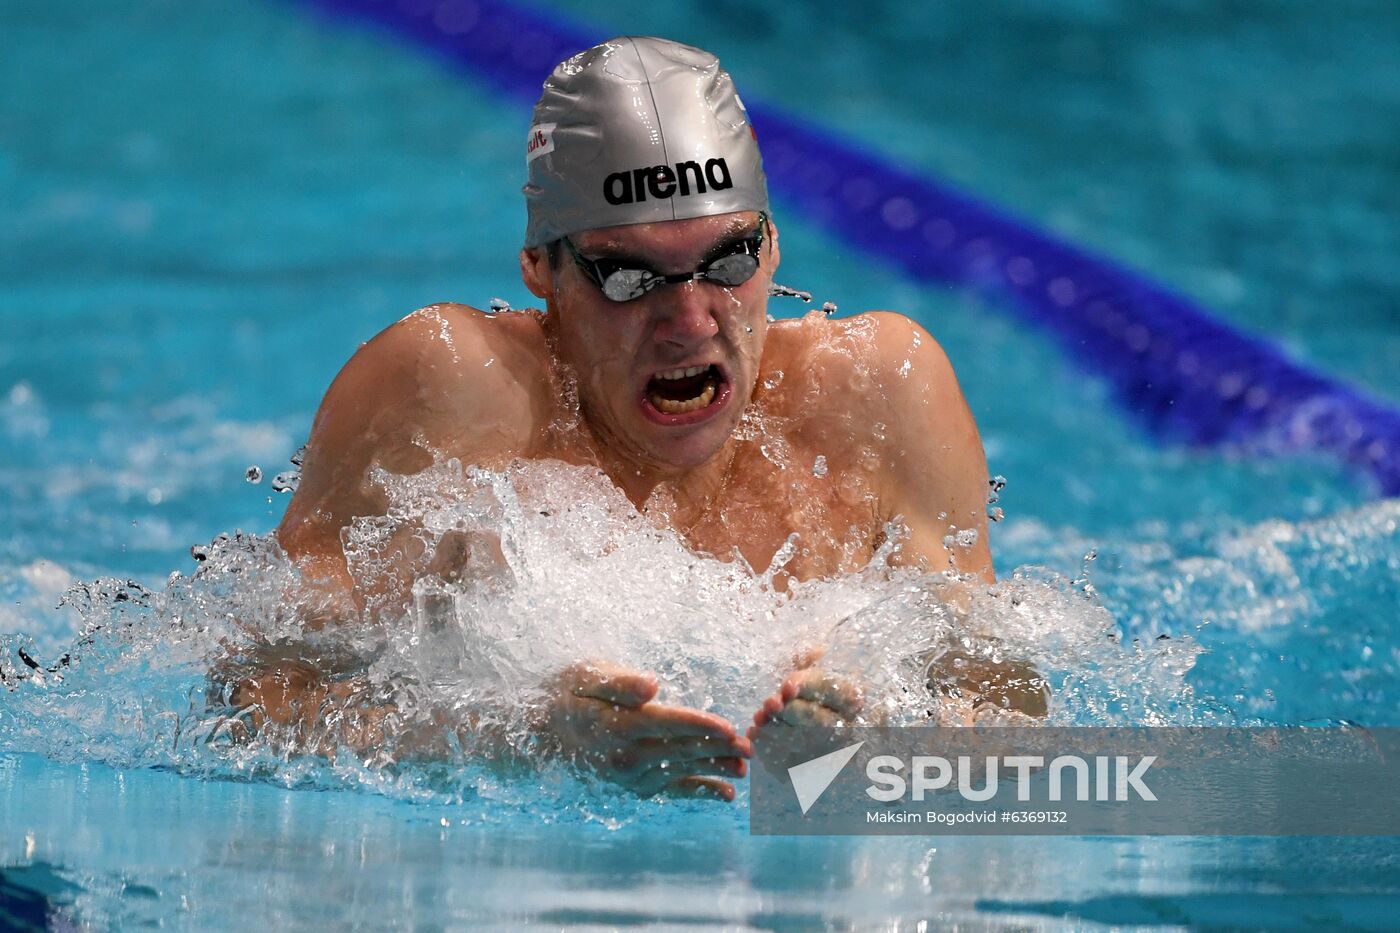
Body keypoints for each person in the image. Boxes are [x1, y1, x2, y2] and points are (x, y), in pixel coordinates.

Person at [227, 37, 1024, 802]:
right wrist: (518, 742)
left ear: (774, 244)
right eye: (628, 275)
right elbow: (250, 705)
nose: (688, 320)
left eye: (730, 261)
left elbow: (1023, 734)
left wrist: (890, 752)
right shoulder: (454, 395)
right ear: (541, 269)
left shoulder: (875, 397)